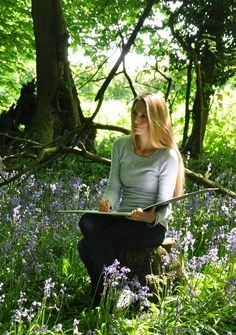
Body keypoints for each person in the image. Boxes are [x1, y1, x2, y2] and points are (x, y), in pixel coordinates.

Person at [77, 92, 185, 306]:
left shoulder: (167, 156)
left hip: (149, 226)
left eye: (144, 116)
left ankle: (102, 296)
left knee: (85, 246)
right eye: (135, 113)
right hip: (122, 216)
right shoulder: (120, 146)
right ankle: (119, 290)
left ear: (157, 119)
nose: (136, 120)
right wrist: (107, 202)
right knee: (87, 220)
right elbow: (114, 186)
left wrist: (148, 217)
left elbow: (165, 204)